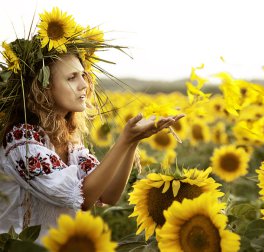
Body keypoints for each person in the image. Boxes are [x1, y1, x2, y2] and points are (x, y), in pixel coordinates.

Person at [0, 7, 184, 238]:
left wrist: (132, 142)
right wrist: (124, 140)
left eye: (83, 76)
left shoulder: (69, 142)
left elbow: (108, 195)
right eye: (71, 78)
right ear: (43, 87)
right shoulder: (22, 140)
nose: (84, 85)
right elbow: (84, 198)